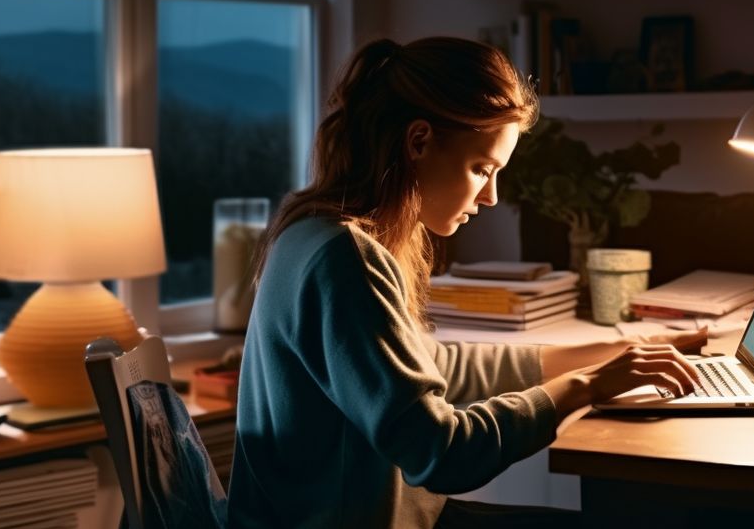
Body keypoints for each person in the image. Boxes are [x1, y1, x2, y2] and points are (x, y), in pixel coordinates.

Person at [226, 37, 705, 529]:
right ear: (418, 141)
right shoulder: (345, 259)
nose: (493, 196)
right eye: (482, 169)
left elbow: (435, 365)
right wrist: (585, 386)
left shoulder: (311, 229)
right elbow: (440, 452)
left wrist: (617, 351)